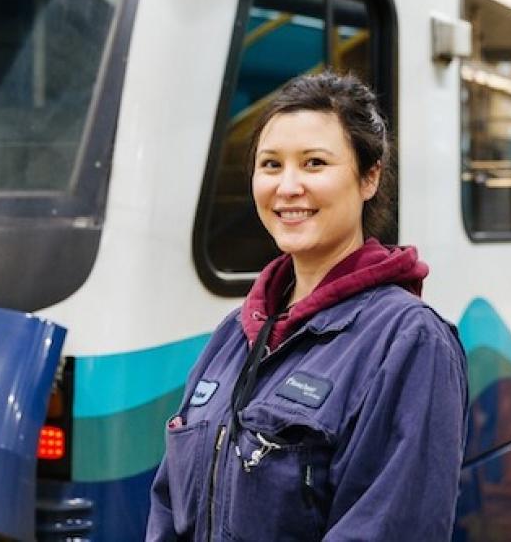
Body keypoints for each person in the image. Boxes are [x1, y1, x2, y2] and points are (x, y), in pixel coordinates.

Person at [146, 71, 468, 541]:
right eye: (271, 165)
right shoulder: (235, 334)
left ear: (369, 176)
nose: (288, 186)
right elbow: (169, 505)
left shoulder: (409, 342)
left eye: (314, 163)